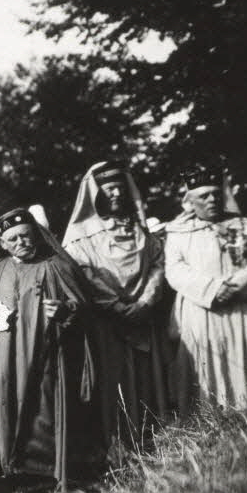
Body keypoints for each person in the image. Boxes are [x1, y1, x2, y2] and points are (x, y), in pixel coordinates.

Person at [0, 207, 99, 493]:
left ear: (36, 235)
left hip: (44, 354)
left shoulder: (55, 266)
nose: (21, 242)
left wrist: (65, 310)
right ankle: (5, 473)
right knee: (3, 405)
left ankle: (42, 474)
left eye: (25, 235)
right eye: (13, 239)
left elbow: (83, 306)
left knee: (42, 407)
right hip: (2, 355)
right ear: (2, 243)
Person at [63, 162, 170, 446]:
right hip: (106, 323)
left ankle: (154, 440)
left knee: (147, 380)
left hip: (144, 318)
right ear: (95, 194)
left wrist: (145, 302)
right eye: (109, 189)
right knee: (114, 382)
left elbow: (158, 265)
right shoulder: (80, 240)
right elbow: (85, 276)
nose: (116, 194)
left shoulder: (142, 232)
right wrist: (116, 306)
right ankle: (117, 446)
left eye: (120, 188)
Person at [163, 174, 247, 412]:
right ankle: (212, 415)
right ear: (190, 201)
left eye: (216, 194)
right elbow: (175, 270)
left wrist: (242, 287)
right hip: (202, 309)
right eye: (204, 196)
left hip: (243, 308)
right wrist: (213, 289)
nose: (212, 200)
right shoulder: (179, 233)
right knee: (208, 363)